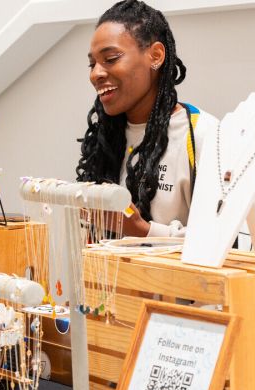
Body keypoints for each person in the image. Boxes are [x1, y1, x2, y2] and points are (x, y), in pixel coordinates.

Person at [77, 0, 218, 237]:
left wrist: (144, 231)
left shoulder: (204, 134)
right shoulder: (105, 139)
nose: (96, 74)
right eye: (92, 64)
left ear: (155, 55)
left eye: (110, 59)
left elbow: (232, 244)